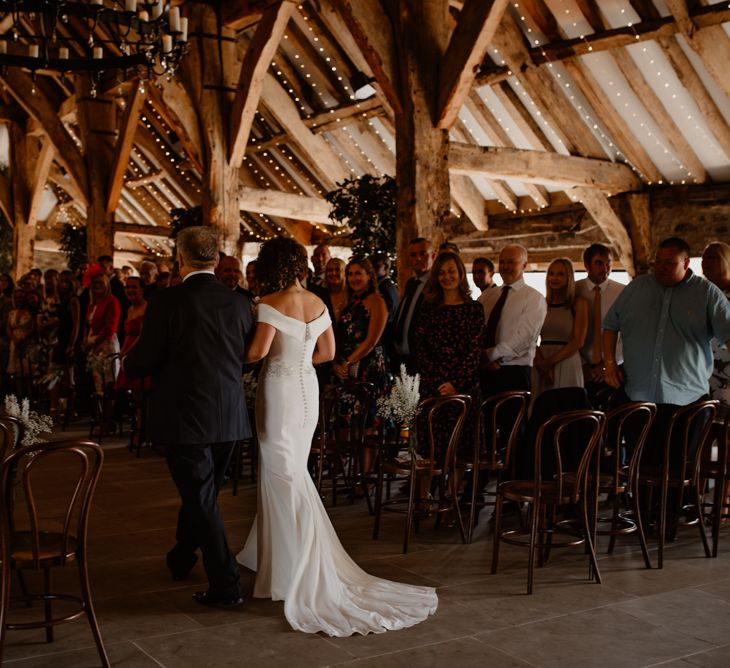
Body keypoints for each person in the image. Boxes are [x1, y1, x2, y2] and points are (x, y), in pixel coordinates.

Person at [236, 236, 437, 636]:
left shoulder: (270, 303)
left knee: (282, 474)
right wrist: (297, 360)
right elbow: (327, 353)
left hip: (278, 391)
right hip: (306, 389)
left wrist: (239, 357)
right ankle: (284, 567)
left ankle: (296, 568)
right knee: (292, 470)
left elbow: (256, 353)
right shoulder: (318, 303)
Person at [124, 226, 253, 607]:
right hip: (229, 414)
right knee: (203, 495)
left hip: (185, 415)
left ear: (179, 260)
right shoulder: (239, 303)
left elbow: (146, 357)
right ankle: (181, 556)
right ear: (216, 260)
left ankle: (226, 584)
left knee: (201, 497)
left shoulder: (167, 301)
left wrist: (129, 363)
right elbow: (244, 357)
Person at [603, 237, 730, 469]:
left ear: (686, 263)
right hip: (638, 395)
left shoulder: (707, 293)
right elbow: (610, 324)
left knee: (677, 472)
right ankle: (638, 506)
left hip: (686, 400)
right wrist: (610, 363)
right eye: (657, 261)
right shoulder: (637, 288)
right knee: (639, 468)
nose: (661, 267)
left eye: (669, 263)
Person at [414, 251, 483, 462]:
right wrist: (438, 381)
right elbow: (420, 347)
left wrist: (455, 383)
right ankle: (426, 495)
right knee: (430, 451)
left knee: (460, 451)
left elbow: (474, 350)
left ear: (461, 273)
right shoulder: (428, 307)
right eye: (442, 273)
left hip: (463, 386)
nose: (447, 277)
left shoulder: (474, 309)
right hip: (432, 386)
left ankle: (452, 494)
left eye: (451, 271)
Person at [478, 243, 546, 395]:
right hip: (482, 371)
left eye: (511, 262)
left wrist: (488, 356)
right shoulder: (487, 297)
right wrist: (479, 358)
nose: (505, 266)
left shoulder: (534, 298)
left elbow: (524, 339)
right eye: (502, 262)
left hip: (514, 373)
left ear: (524, 265)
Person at [333, 258, 389, 433]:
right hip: (346, 369)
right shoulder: (349, 302)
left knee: (368, 425)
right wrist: (337, 363)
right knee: (346, 423)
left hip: (368, 367)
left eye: (358, 273)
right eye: (350, 274)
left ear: (369, 276)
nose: (353, 278)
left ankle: (366, 462)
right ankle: (351, 462)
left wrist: (347, 362)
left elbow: (372, 340)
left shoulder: (377, 301)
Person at [532, 258, 588, 399]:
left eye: (561, 274)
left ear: (569, 277)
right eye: (551, 273)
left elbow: (578, 342)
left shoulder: (578, 304)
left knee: (567, 409)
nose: (555, 278)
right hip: (541, 363)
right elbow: (531, 338)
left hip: (567, 361)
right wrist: (542, 366)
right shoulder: (540, 304)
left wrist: (549, 363)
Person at [575, 243, 625, 396]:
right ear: (586, 265)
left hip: (613, 368)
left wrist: (608, 364)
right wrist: (582, 365)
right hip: (579, 367)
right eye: (599, 263)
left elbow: (628, 333)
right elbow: (568, 331)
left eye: (608, 263)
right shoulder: (574, 290)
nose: (605, 268)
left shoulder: (623, 292)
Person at [391, 237, 436, 373]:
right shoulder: (411, 283)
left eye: (423, 254)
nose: (418, 259)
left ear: (433, 256)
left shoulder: (436, 285)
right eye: (413, 255)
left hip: (423, 361)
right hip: (401, 359)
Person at [82, 265, 121, 396]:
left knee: (108, 380)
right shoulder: (92, 303)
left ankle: (109, 413)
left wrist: (94, 343)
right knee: (97, 382)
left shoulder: (112, 301)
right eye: (94, 283)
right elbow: (88, 324)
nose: (96, 285)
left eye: (100, 283)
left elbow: (110, 327)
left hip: (106, 344)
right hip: (93, 344)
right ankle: (99, 412)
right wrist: (85, 340)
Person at [702, 242, 730, 415]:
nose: (706, 262)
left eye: (712, 257)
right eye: (704, 257)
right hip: (702, 373)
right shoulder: (698, 294)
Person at [324, 257, 347, 321]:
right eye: (330, 270)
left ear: (345, 272)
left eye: (337, 270)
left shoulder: (352, 296)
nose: (333, 273)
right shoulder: (322, 296)